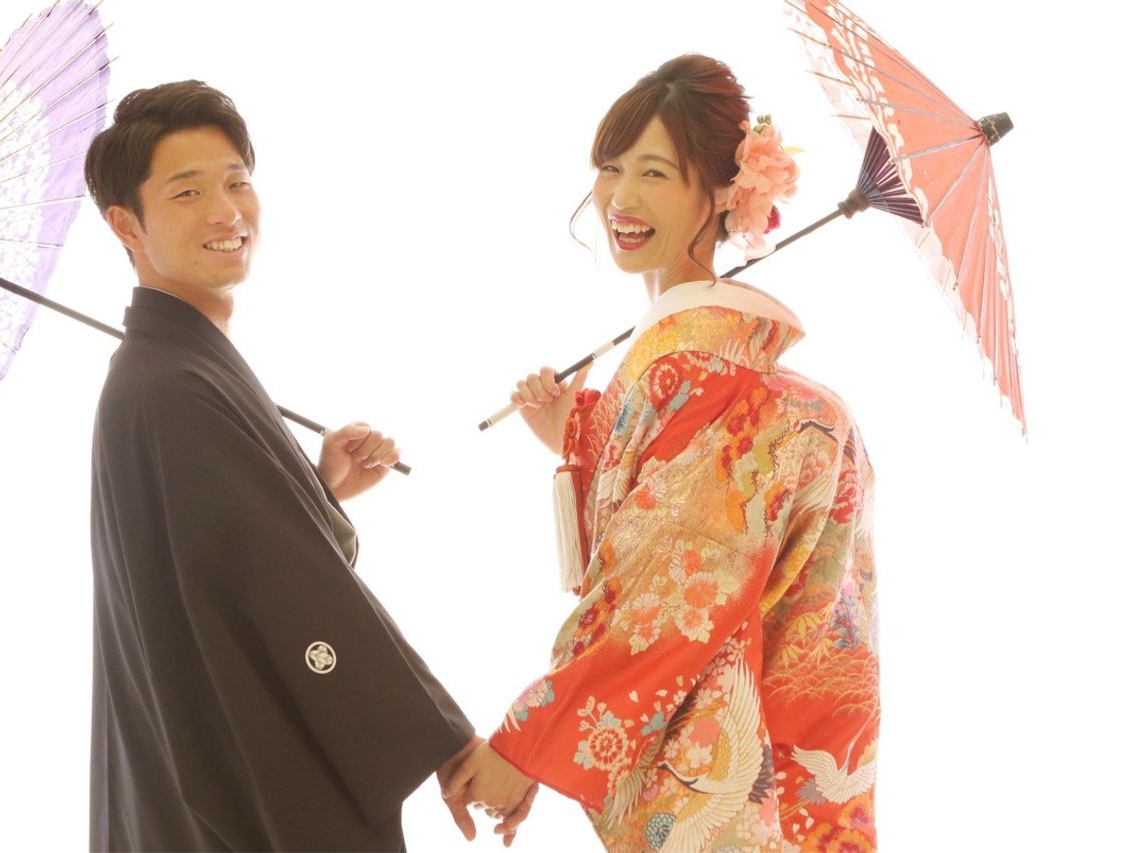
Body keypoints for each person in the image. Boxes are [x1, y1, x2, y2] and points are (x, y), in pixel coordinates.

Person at [445, 55, 879, 852]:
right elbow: (646, 526)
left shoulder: (710, 373)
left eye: (653, 173)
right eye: (611, 168)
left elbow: (669, 591)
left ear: (722, 192)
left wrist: (528, 742)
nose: (621, 198)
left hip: (727, 781)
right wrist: (576, 433)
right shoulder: (694, 364)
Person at [84, 80, 484, 852]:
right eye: (188, 191)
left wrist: (315, 487)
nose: (226, 212)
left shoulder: (174, 368)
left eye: (236, 182)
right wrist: (445, 741)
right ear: (126, 223)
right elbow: (287, 590)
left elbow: (222, 550)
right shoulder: (170, 387)